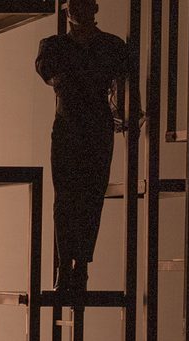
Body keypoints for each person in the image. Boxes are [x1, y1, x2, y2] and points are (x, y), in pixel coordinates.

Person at [37, 0, 135, 293]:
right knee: (67, 199)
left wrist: (127, 114)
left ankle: (78, 265)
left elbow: (123, 86)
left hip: (92, 128)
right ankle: (67, 265)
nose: (76, 12)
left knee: (90, 198)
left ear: (93, 8)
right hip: (72, 128)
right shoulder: (55, 46)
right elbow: (49, 73)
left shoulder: (111, 46)